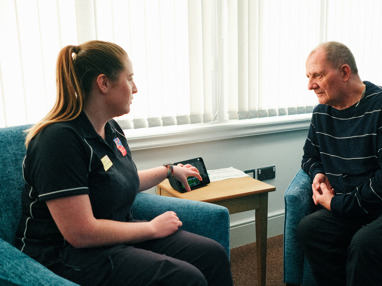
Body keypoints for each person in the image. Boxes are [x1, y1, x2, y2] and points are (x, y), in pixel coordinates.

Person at [15, 40, 233, 286]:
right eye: (129, 79)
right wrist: (151, 228)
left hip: (113, 233)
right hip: (63, 254)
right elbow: (80, 233)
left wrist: (169, 170)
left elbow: (118, 182)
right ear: (104, 83)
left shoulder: (111, 129)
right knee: (185, 279)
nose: (135, 88)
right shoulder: (58, 140)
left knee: (211, 254)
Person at [297, 41, 382, 286]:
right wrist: (318, 174)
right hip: (361, 205)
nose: (310, 85)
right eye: (308, 76)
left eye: (317, 75)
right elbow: (310, 157)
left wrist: (338, 204)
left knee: (368, 244)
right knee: (311, 229)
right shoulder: (322, 113)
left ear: (345, 72)